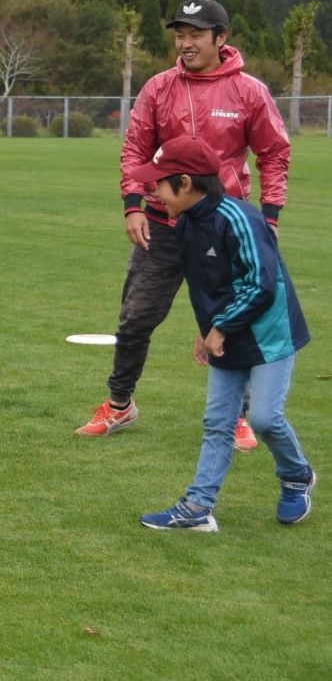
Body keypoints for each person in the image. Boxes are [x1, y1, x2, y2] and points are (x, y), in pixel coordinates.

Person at [77, 0, 290, 446]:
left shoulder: (249, 91)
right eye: (180, 34)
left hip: (224, 227)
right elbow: (135, 148)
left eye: (196, 34)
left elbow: (274, 153)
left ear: (221, 38)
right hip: (162, 223)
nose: (186, 42)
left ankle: (239, 416)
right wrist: (133, 204)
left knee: (231, 321)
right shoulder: (158, 87)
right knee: (135, 318)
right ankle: (120, 405)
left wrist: (269, 216)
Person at [130, 136, 314, 531]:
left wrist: (220, 326)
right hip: (226, 331)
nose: (152, 190)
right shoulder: (186, 225)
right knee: (218, 422)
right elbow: (206, 286)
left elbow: (261, 285)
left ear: (185, 183)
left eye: (160, 182)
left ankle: (297, 476)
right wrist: (207, 330)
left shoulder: (240, 218)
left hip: (269, 333)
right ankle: (198, 508)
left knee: (264, 418)